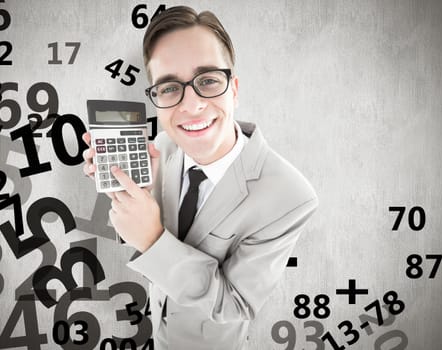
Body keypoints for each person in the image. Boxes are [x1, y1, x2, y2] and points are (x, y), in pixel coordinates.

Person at [82, 6, 318, 350]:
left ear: (234, 89)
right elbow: (142, 232)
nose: (190, 105)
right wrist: (130, 195)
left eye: (207, 80)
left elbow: (235, 304)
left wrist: (152, 238)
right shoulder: (164, 147)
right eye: (168, 87)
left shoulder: (291, 197)